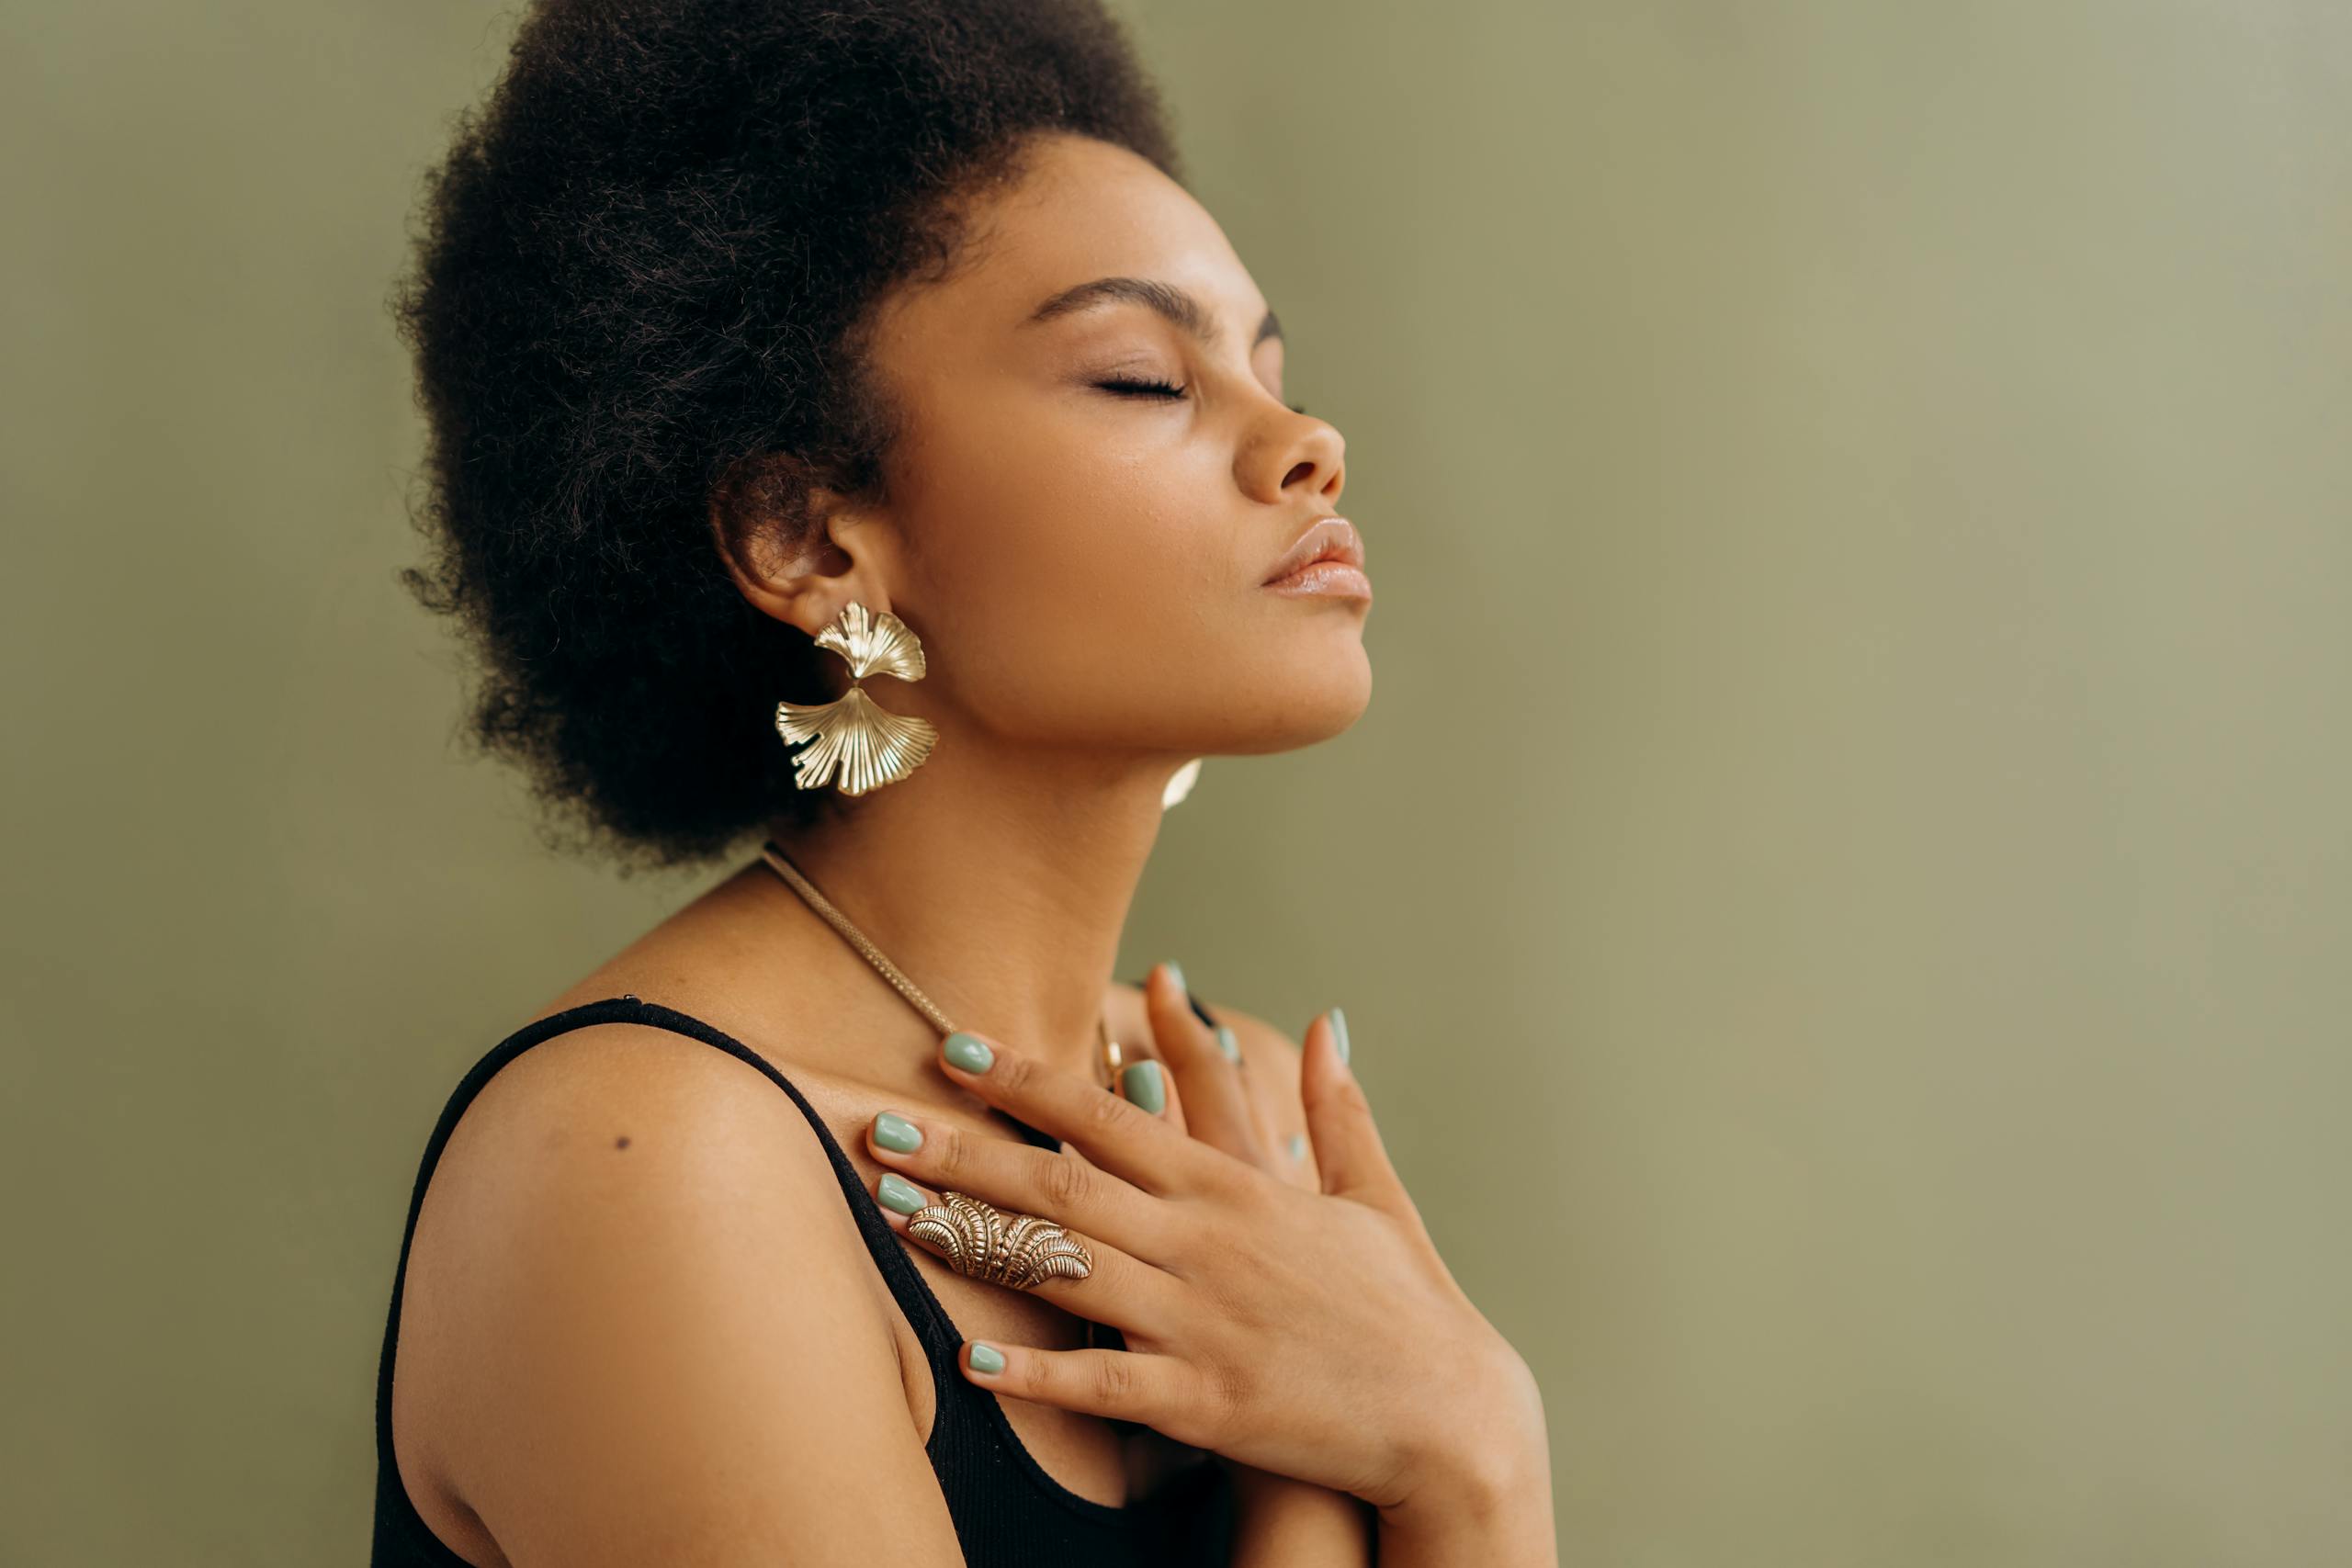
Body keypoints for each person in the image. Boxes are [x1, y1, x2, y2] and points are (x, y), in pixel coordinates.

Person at [372, 1, 1555, 1563]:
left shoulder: (1234, 1108)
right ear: (809, 538)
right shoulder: (652, 1172)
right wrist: (1393, 1457)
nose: (1307, 442)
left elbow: (1460, 1461)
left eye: (1273, 370)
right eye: (1143, 378)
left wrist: (1472, 1445)